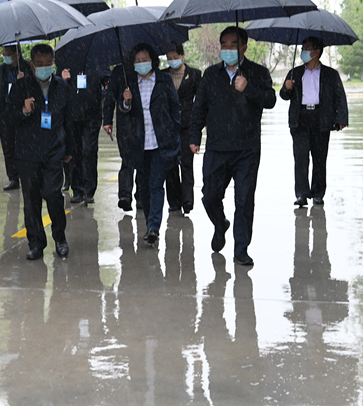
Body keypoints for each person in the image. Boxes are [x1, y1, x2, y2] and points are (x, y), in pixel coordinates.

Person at [189, 26, 276, 266]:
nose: (227, 49)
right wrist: (194, 136)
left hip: (247, 149)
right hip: (217, 148)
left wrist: (248, 88)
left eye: (233, 44)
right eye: (224, 44)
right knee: (209, 196)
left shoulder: (257, 73)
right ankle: (220, 224)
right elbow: (199, 108)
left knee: (244, 200)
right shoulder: (210, 75)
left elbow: (270, 100)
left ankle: (241, 249)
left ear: (244, 47)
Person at [7, 44, 73, 260]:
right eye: (40, 64)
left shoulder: (62, 86)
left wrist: (70, 149)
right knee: (31, 199)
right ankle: (35, 243)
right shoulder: (21, 86)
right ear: (32, 65)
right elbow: (9, 117)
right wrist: (24, 110)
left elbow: (69, 120)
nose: (44, 67)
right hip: (28, 152)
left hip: (54, 149)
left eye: (48, 63)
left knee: (53, 194)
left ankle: (60, 238)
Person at [118, 43, 181, 245]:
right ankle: (148, 223)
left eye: (144, 59)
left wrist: (173, 128)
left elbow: (175, 106)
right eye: (138, 60)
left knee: (156, 185)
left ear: (152, 60)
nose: (141, 63)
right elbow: (123, 112)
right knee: (143, 187)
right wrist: (126, 101)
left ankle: (154, 227)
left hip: (160, 141)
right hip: (139, 143)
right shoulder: (130, 83)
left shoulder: (164, 80)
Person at [280, 37, 348, 207]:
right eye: (302, 48)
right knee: (301, 158)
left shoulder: (331, 74)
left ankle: (318, 193)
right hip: (300, 118)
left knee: (319, 158)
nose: (303, 51)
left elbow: (340, 96)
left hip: (321, 118)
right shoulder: (295, 73)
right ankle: (301, 194)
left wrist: (341, 118)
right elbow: (284, 96)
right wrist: (286, 88)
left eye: (307, 48)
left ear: (317, 52)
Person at [163, 45, 202, 214]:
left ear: (183, 55)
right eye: (169, 58)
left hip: (188, 125)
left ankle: (187, 200)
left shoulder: (194, 74)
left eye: (175, 57)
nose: (173, 61)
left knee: (186, 163)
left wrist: (200, 124)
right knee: (170, 165)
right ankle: (174, 201)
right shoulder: (163, 76)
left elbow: (201, 101)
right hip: (168, 126)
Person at [59, 63, 102, 204]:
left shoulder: (96, 62)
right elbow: (58, 90)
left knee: (89, 152)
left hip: (92, 116)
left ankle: (89, 190)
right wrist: (64, 80)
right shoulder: (66, 63)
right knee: (74, 153)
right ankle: (77, 189)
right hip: (72, 116)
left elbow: (105, 85)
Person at [0, 44, 30, 190]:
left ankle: (26, 175)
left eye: (7, 54)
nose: (5, 56)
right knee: (8, 147)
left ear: (17, 54)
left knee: (23, 146)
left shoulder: (27, 67)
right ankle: (13, 177)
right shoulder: (0, 70)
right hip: (5, 115)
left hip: (22, 113)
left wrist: (22, 81)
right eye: (3, 53)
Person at [103, 63, 141, 211]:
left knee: (143, 161)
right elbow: (110, 98)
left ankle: (142, 196)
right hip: (125, 124)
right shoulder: (119, 72)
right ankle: (125, 196)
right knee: (127, 160)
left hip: (145, 124)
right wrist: (107, 120)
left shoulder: (149, 72)